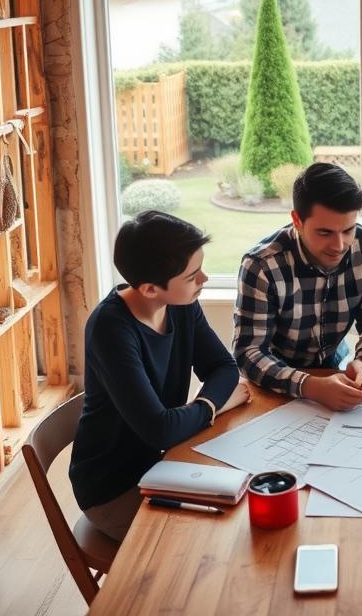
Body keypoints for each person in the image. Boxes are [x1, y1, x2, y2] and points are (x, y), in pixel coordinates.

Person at [69, 211, 251, 541]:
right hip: (114, 488)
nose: (204, 279)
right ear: (151, 289)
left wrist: (192, 414)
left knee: (244, 503)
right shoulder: (111, 330)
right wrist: (214, 407)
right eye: (193, 275)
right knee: (210, 540)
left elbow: (224, 368)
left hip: (165, 464)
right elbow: (160, 430)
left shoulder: (181, 303)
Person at [234, 163, 362, 411]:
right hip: (272, 380)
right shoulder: (262, 265)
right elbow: (249, 352)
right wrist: (311, 386)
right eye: (324, 232)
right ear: (297, 220)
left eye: (348, 230)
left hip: (335, 365)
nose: (339, 245)